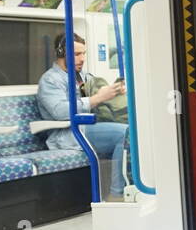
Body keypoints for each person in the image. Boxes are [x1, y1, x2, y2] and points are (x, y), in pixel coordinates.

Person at [37, 33, 128, 202]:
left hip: (91, 127)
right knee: (125, 134)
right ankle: (117, 194)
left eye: (84, 53)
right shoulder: (50, 80)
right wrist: (98, 98)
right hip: (69, 134)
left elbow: (100, 95)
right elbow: (60, 111)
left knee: (134, 129)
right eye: (77, 54)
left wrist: (115, 92)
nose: (82, 58)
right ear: (61, 53)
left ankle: (131, 187)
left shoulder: (85, 76)